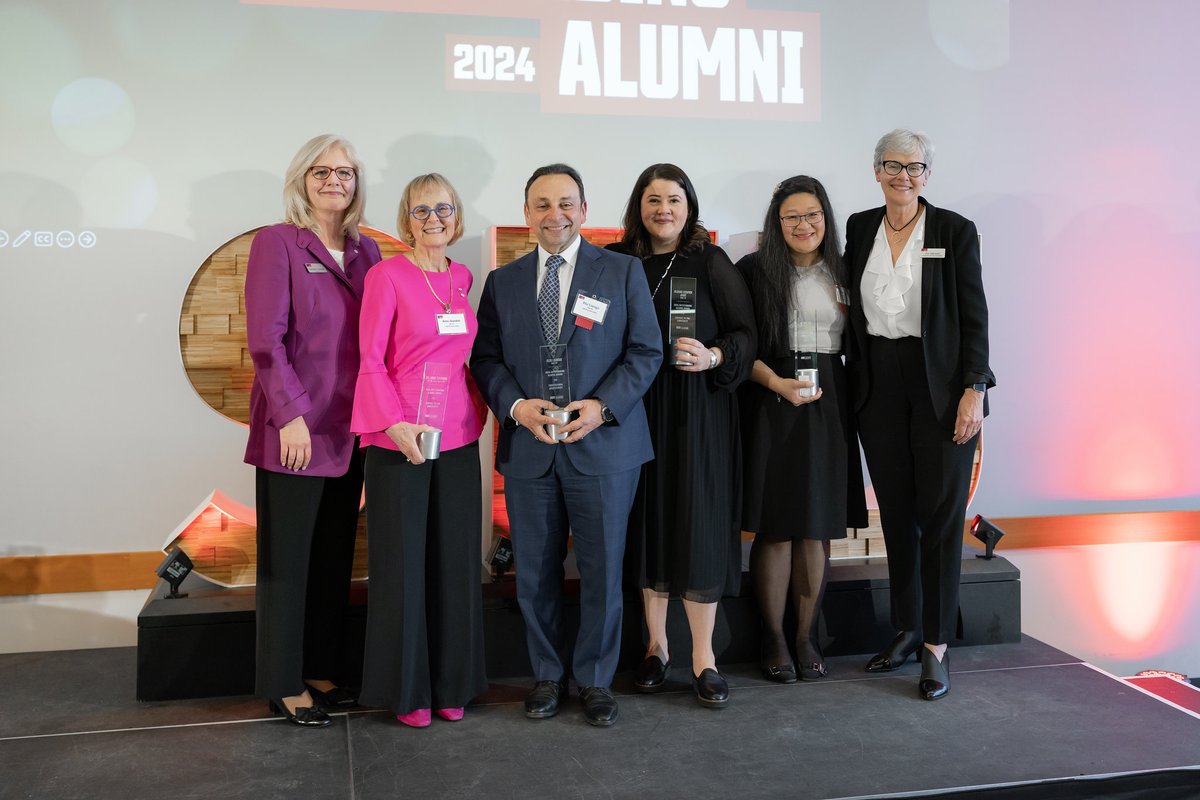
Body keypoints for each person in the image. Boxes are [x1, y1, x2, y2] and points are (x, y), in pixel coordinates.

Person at [470, 164, 662, 727]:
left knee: (603, 570)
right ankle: (548, 676)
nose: (554, 214)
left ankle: (596, 680)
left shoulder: (622, 271)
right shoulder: (502, 282)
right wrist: (515, 406)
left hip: (603, 448)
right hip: (531, 446)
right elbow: (485, 359)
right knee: (534, 571)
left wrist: (602, 408)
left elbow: (645, 353)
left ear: (583, 210)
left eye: (566, 203)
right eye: (542, 204)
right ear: (527, 213)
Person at [844, 129, 995, 700]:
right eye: (891, 164)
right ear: (875, 170)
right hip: (879, 385)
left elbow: (975, 315)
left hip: (941, 389)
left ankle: (936, 645)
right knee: (898, 518)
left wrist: (974, 388)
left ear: (928, 174)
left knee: (939, 518)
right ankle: (906, 629)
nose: (902, 175)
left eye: (914, 166)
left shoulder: (954, 231)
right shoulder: (860, 228)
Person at [244, 134, 382, 727]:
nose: (335, 181)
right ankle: (282, 680)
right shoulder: (277, 243)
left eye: (346, 172)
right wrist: (292, 416)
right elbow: (266, 341)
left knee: (331, 559)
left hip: (350, 429)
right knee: (288, 562)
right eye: (323, 171)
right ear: (302, 178)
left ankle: (321, 666)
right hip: (295, 430)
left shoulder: (366, 250)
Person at [608, 164, 755, 707]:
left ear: (689, 205)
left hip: (697, 413)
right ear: (638, 206)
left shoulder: (710, 260)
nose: (662, 209)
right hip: (634, 411)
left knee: (696, 524)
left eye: (673, 199)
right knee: (648, 523)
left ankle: (704, 657)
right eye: (652, 199)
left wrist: (714, 354)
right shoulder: (618, 261)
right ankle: (655, 647)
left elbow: (746, 334)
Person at [351, 174, 489, 728]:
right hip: (400, 437)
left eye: (444, 208)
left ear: (456, 217)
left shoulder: (462, 276)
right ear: (407, 219)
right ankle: (409, 692)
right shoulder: (385, 276)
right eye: (421, 209)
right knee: (402, 567)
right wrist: (393, 422)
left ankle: (453, 684)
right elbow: (369, 360)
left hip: (455, 435)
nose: (434, 218)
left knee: (456, 562)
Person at [737, 176, 868, 685]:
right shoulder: (752, 272)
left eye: (812, 214)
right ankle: (771, 637)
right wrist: (776, 383)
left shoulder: (846, 269)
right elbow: (739, 344)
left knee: (817, 522)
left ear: (826, 218)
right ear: (777, 223)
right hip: (771, 395)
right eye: (792, 216)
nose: (803, 225)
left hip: (830, 400)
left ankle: (804, 636)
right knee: (776, 522)